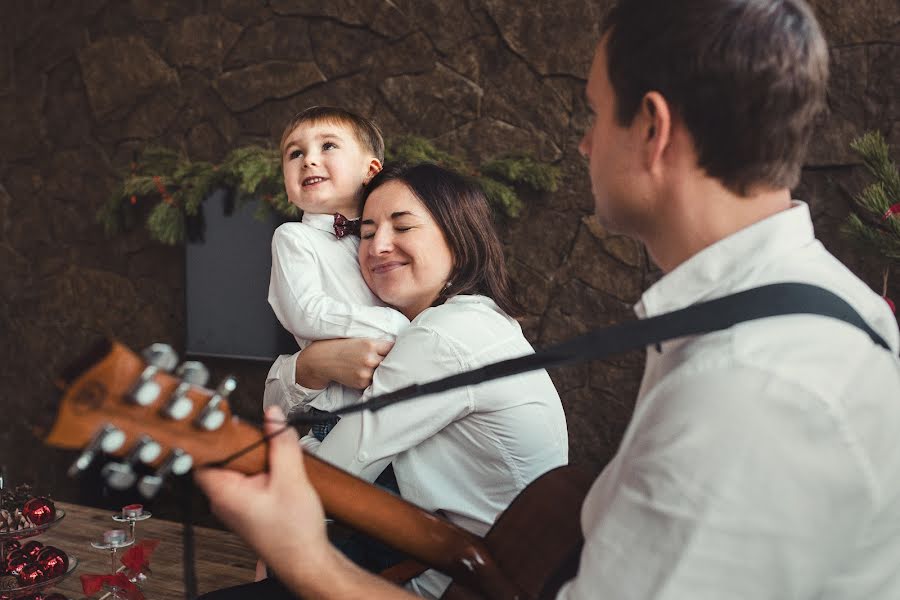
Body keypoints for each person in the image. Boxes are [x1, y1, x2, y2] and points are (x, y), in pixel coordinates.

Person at [196, 1, 900, 598]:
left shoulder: (747, 383)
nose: (587, 143)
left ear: (652, 129)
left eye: (594, 115)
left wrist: (307, 560)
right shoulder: (801, 314)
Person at [205, 163, 569, 599]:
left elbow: (337, 470)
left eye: (403, 227)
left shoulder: (447, 334)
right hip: (418, 564)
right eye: (367, 230)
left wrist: (281, 544)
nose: (378, 246)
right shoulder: (455, 322)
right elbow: (296, 420)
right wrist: (314, 365)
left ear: (459, 239)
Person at [266, 106, 409, 444]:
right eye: (295, 153)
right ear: (287, 188)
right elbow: (306, 313)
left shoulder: (384, 241)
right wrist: (398, 327)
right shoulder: (293, 238)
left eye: (327, 146)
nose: (308, 160)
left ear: (370, 170)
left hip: (398, 415)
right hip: (341, 420)